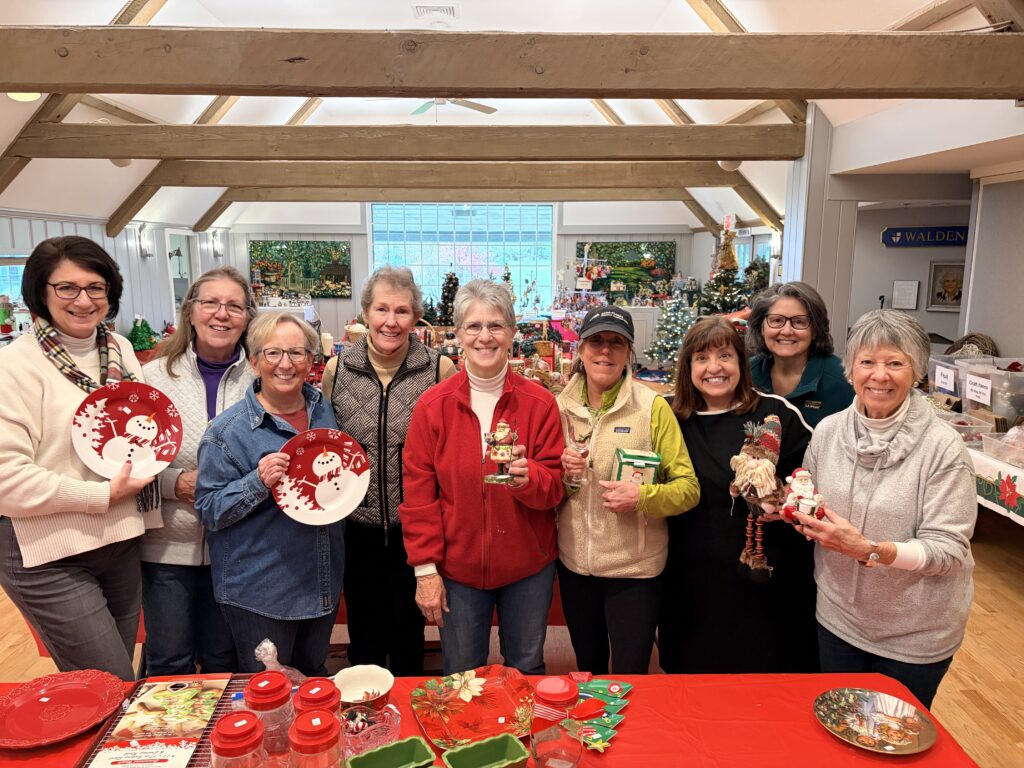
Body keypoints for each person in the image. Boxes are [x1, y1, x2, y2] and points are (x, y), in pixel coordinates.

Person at [791, 310, 976, 708]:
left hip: (914, 634)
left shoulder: (943, 448)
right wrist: (790, 510)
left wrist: (869, 549)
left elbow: (948, 552)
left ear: (918, 372)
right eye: (868, 362)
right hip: (838, 619)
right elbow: (811, 501)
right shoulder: (827, 431)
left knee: (891, 740)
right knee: (841, 727)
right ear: (851, 369)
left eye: (896, 363)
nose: (880, 375)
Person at [0, 236, 158, 680]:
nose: (84, 300)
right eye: (67, 288)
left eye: (96, 287)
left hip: (119, 537)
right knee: (111, 684)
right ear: (40, 292)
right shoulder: (16, 367)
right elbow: (5, 479)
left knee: (111, 687)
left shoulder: (121, 351)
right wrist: (100, 494)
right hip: (49, 552)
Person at [400, 279, 564, 675]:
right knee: (461, 673)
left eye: (495, 325)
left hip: (528, 568)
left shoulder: (540, 403)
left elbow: (556, 488)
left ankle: (521, 739)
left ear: (511, 333)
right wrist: (425, 570)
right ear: (457, 335)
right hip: (458, 572)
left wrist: (531, 481)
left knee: (525, 668)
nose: (485, 336)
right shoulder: (433, 406)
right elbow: (419, 494)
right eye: (474, 326)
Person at [659, 316, 817, 674]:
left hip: (761, 576)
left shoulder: (774, 413)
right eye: (701, 358)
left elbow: (811, 476)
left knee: (760, 676)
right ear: (688, 367)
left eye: (725, 356)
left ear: (741, 364)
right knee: (691, 678)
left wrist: (786, 497)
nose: (714, 368)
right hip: (688, 576)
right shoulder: (669, 415)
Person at [321, 266, 455, 676]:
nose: (390, 321)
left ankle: (411, 725)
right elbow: (327, 442)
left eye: (401, 311)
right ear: (364, 314)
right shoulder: (337, 370)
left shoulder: (439, 370)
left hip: (414, 529)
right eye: (381, 309)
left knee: (410, 636)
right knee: (364, 637)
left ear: (416, 318)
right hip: (356, 527)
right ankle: (366, 724)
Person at [195, 312, 343, 676]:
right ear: (255, 360)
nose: (285, 364)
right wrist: (256, 483)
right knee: (269, 694)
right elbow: (208, 509)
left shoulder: (323, 410)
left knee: (313, 680)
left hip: (321, 583)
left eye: (296, 353)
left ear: (311, 361)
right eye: (273, 353)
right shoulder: (226, 432)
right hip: (261, 594)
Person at [557, 306, 699, 675]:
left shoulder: (652, 408)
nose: (605, 352)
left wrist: (642, 498)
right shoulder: (559, 408)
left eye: (616, 343)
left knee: (631, 676)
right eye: (596, 342)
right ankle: (590, 733)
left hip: (634, 573)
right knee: (587, 669)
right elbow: (547, 489)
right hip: (575, 568)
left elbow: (688, 488)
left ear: (628, 354)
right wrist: (563, 477)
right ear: (580, 350)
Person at [140, 267, 256, 675]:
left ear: (247, 317)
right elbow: (124, 461)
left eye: (234, 306)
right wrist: (174, 483)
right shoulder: (154, 377)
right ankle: (164, 739)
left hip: (238, 550)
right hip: (168, 546)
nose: (221, 314)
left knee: (225, 661)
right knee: (169, 661)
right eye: (210, 303)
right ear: (190, 311)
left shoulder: (261, 380)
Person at [747, 281, 854, 427]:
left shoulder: (844, 381)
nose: (786, 331)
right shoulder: (745, 375)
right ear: (761, 327)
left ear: (815, 330)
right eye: (777, 320)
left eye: (799, 322)